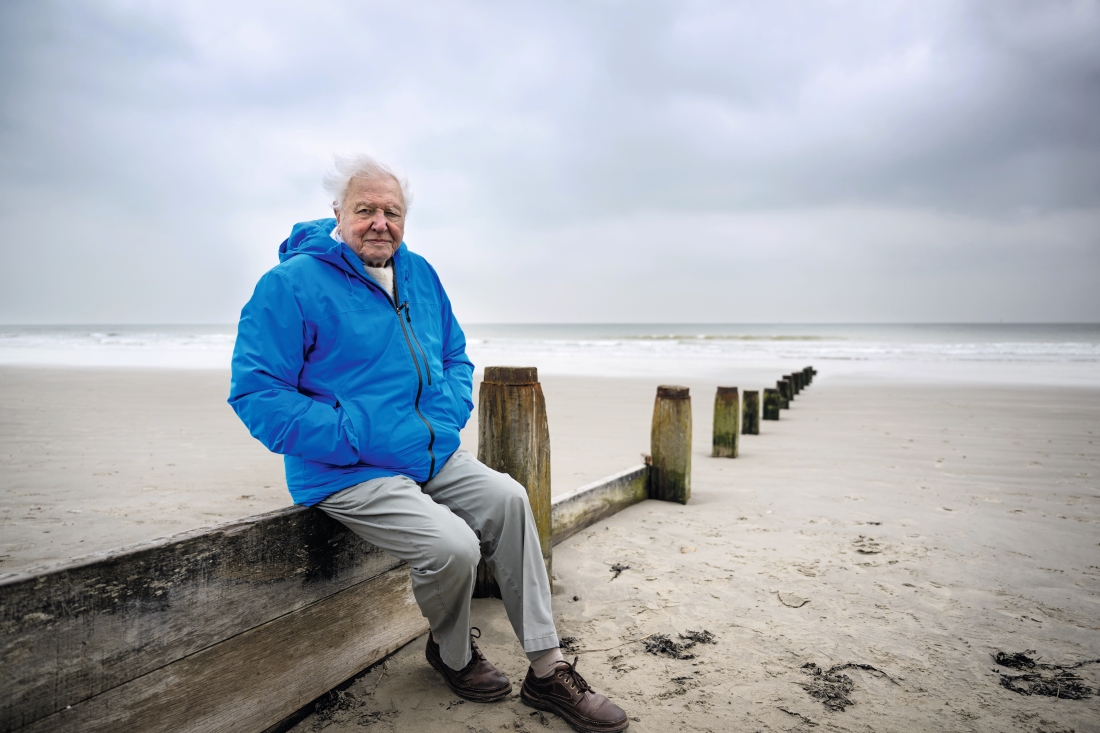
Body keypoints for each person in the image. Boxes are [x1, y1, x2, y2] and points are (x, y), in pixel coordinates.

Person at [228, 154, 628, 733]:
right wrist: (349, 433)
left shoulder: (419, 273)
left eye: (391, 211)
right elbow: (257, 393)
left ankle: (547, 668)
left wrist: (444, 415)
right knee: (454, 547)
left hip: (428, 451)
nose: (379, 223)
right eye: (364, 209)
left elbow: (454, 357)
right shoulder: (289, 285)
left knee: (511, 500)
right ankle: (453, 654)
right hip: (348, 468)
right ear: (337, 213)